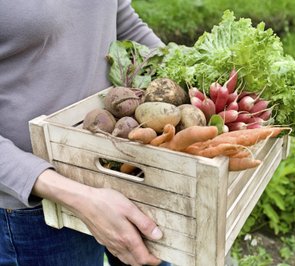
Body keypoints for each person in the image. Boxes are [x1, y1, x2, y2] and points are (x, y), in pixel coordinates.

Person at [0, 1, 170, 265]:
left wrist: (187, 73)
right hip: (37, 209)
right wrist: (81, 198)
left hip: (124, 163)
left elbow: (120, 18)